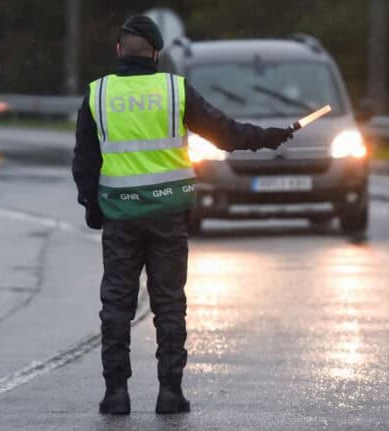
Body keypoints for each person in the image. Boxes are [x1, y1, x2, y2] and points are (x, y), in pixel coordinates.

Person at [72, 15, 293, 415]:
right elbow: (224, 132)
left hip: (121, 215)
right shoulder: (175, 91)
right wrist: (267, 137)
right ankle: (170, 392)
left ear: (120, 52)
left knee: (117, 304)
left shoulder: (98, 94)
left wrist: (91, 205)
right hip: (169, 215)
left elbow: (84, 161)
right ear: (157, 54)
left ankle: (116, 394)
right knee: (169, 303)